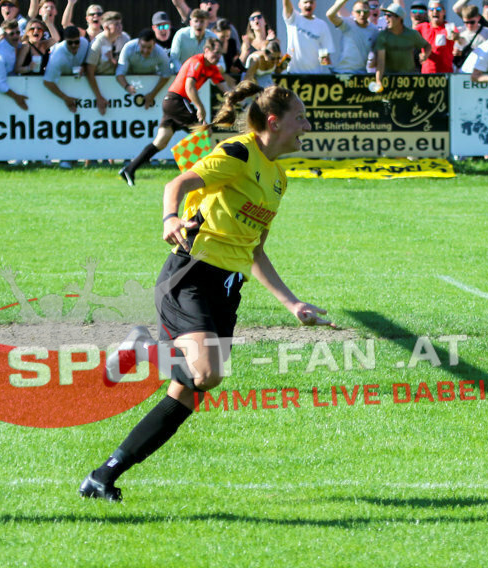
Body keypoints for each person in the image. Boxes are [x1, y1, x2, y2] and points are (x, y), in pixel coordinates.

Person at [79, 82, 332, 503]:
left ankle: (103, 476)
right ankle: (144, 347)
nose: (306, 126)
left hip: (227, 290)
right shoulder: (238, 153)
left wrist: (292, 303)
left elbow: (255, 251)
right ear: (274, 122)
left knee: (188, 394)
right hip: (191, 274)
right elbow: (176, 183)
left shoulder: (278, 179)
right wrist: (170, 219)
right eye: (300, 118)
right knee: (206, 374)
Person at [119, 38, 231, 186]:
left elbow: (226, 90)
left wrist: (238, 96)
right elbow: (189, 87)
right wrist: (200, 107)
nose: (217, 57)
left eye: (220, 54)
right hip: (176, 101)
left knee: (161, 142)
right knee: (204, 131)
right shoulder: (197, 62)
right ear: (206, 50)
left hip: (171, 102)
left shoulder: (213, 68)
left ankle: (129, 169)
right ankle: (194, 172)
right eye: (215, 53)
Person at [372, 3, 429, 91]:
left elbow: (427, 46)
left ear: (399, 18)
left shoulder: (412, 34)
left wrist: (425, 54)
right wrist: (378, 80)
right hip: (389, 79)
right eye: (385, 15)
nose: (385, 18)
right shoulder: (383, 36)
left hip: (409, 80)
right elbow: (381, 61)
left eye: (389, 15)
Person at [116, 28, 173, 108]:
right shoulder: (128, 48)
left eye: (149, 47)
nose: (145, 50)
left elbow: (166, 75)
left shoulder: (160, 53)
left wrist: (152, 94)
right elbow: (119, 73)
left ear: (154, 44)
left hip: (151, 83)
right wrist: (127, 86)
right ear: (138, 42)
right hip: (129, 83)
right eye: (143, 46)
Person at [43, 25, 88, 112]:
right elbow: (47, 82)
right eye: (70, 43)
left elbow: (89, 62)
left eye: (77, 42)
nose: (74, 45)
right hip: (63, 85)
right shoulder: (57, 55)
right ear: (64, 41)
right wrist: (65, 98)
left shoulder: (85, 43)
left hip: (80, 85)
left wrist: (84, 67)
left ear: (80, 39)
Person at [282, 0, 335, 74]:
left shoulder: (322, 25)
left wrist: (325, 73)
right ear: (299, 5)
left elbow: (325, 53)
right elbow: (286, 4)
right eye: (305, 2)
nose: (308, 5)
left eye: (311, 2)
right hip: (293, 73)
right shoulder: (293, 18)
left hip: (315, 74)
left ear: (315, 5)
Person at [326, 0, 378, 75]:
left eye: (365, 11)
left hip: (360, 74)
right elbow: (330, 15)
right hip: (341, 72)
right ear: (353, 13)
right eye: (358, 11)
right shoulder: (348, 23)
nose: (362, 14)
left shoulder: (374, 30)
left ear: (369, 13)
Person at [0, 19, 29, 110]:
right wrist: (16, 97)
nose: (16, 36)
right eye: (11, 34)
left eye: (17, 32)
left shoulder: (13, 44)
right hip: (1, 99)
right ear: (4, 36)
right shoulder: (0, 55)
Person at [418, 0, 459, 74]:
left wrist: (456, 38)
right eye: (431, 9)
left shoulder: (449, 27)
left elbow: (457, 38)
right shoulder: (423, 27)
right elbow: (408, 35)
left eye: (438, 9)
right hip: (427, 73)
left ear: (444, 12)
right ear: (428, 13)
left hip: (445, 74)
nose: (435, 12)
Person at [169, 8, 216, 73]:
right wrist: (183, 73)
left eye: (202, 21)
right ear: (190, 23)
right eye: (196, 21)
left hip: (202, 75)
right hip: (179, 73)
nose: (198, 25)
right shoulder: (181, 35)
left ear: (207, 23)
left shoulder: (213, 37)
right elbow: (174, 58)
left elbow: (220, 61)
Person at [454, 4, 488, 69]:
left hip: (480, 69)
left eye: (472, 22)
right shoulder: (459, 31)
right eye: (466, 22)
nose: (469, 25)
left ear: (478, 18)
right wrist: (455, 53)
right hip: (462, 69)